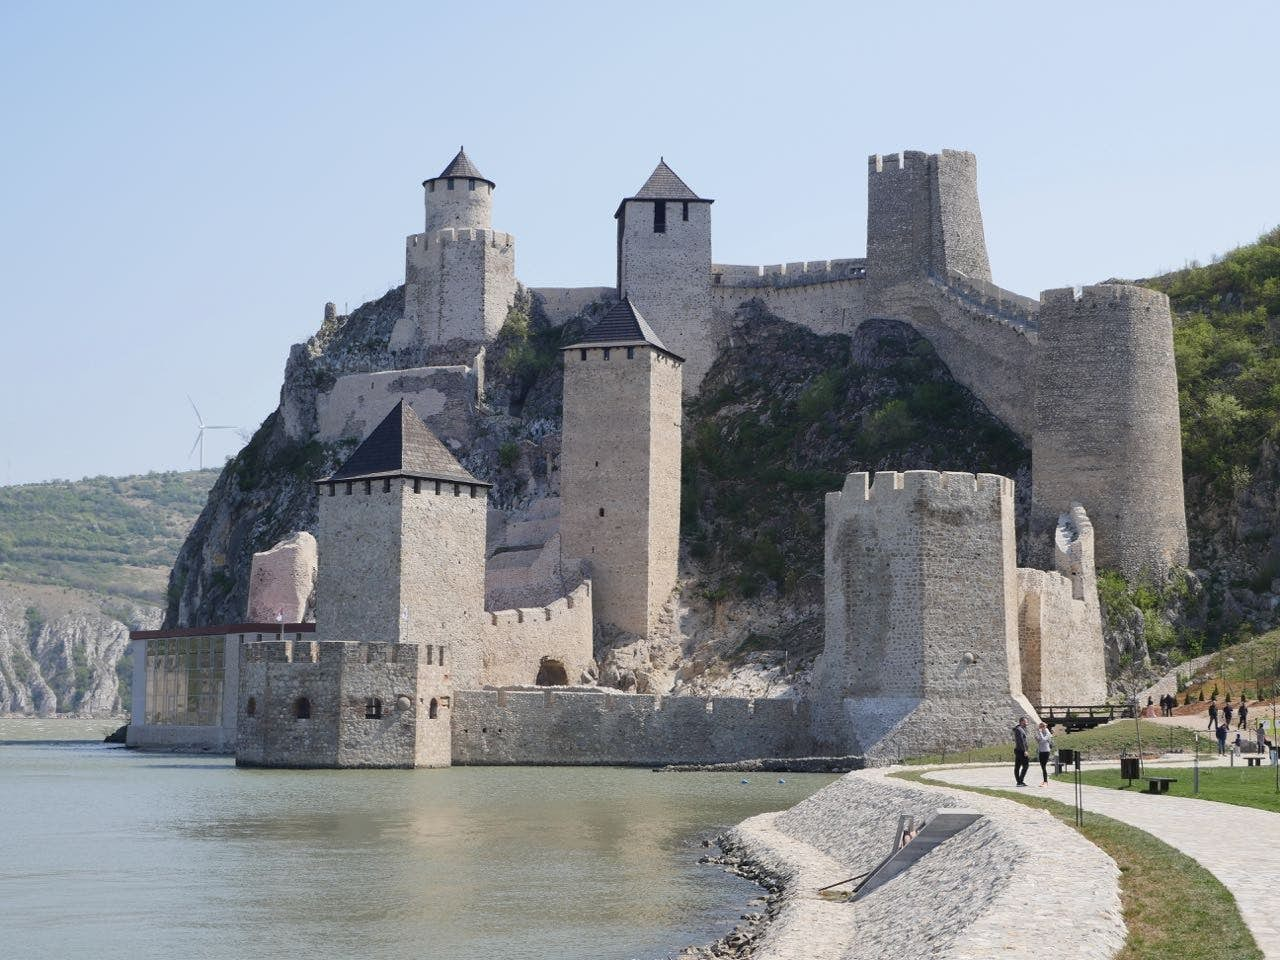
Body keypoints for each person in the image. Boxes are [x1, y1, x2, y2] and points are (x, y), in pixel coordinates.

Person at [1013, 716, 1031, 787]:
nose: (1027, 723)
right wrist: (1025, 751)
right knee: (1026, 765)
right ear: (1021, 722)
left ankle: (1019, 782)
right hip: (1021, 751)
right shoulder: (1019, 729)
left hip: (1019, 750)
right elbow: (1021, 741)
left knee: (1017, 766)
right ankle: (1020, 781)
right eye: (1026, 722)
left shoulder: (1020, 729)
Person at [1035, 721, 1053, 786]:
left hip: (1046, 751)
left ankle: (1045, 782)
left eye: (1042, 726)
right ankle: (1045, 781)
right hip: (1041, 751)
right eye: (1040, 727)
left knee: (1043, 766)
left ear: (1045, 727)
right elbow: (1039, 741)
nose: (1040, 728)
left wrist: (1039, 733)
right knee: (1043, 767)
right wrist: (1037, 737)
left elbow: (1043, 740)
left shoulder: (1048, 733)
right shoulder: (1041, 732)